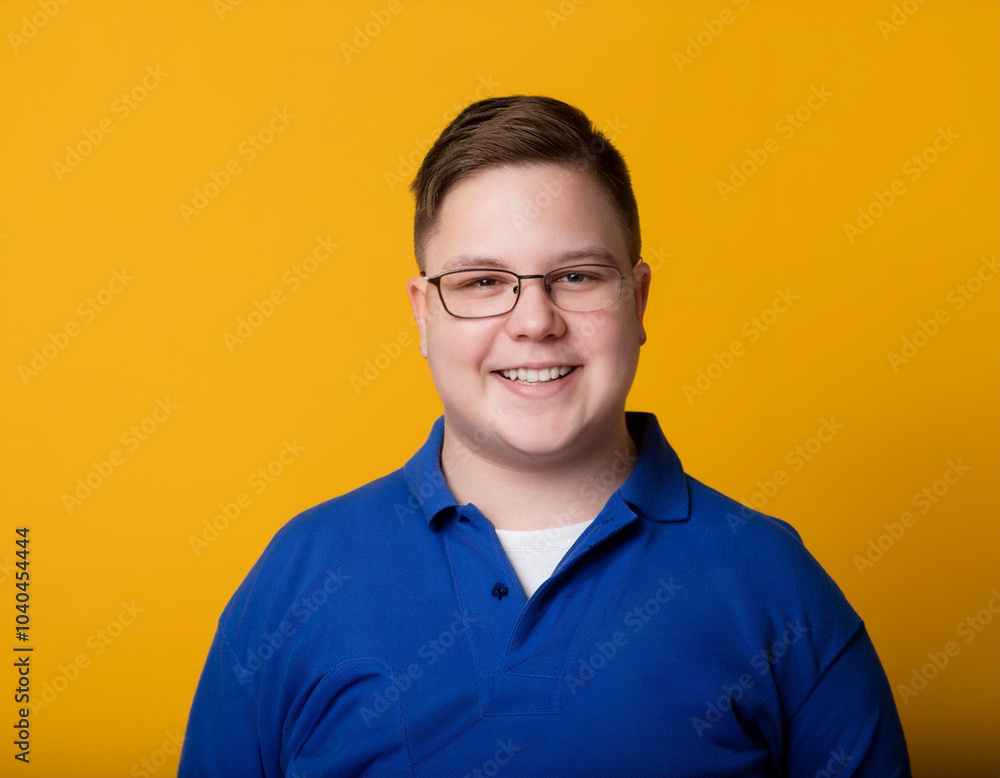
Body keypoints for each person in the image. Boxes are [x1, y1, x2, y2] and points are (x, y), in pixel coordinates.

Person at [178, 95, 912, 777]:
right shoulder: (299, 577)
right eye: (481, 282)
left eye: (577, 276)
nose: (534, 322)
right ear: (423, 315)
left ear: (638, 300)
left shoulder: (774, 584)